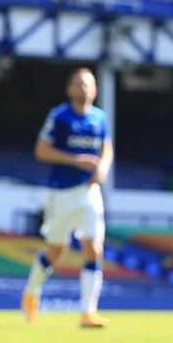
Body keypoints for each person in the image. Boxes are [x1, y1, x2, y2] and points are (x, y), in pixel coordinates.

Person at [21, 68, 112, 328]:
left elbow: (107, 148)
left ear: (95, 90)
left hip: (89, 192)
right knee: (55, 252)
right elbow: (41, 150)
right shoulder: (60, 116)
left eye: (89, 84)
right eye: (79, 84)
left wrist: (103, 169)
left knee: (94, 249)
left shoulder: (100, 118)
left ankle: (88, 313)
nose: (84, 88)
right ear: (70, 89)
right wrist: (75, 160)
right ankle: (31, 291)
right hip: (61, 193)